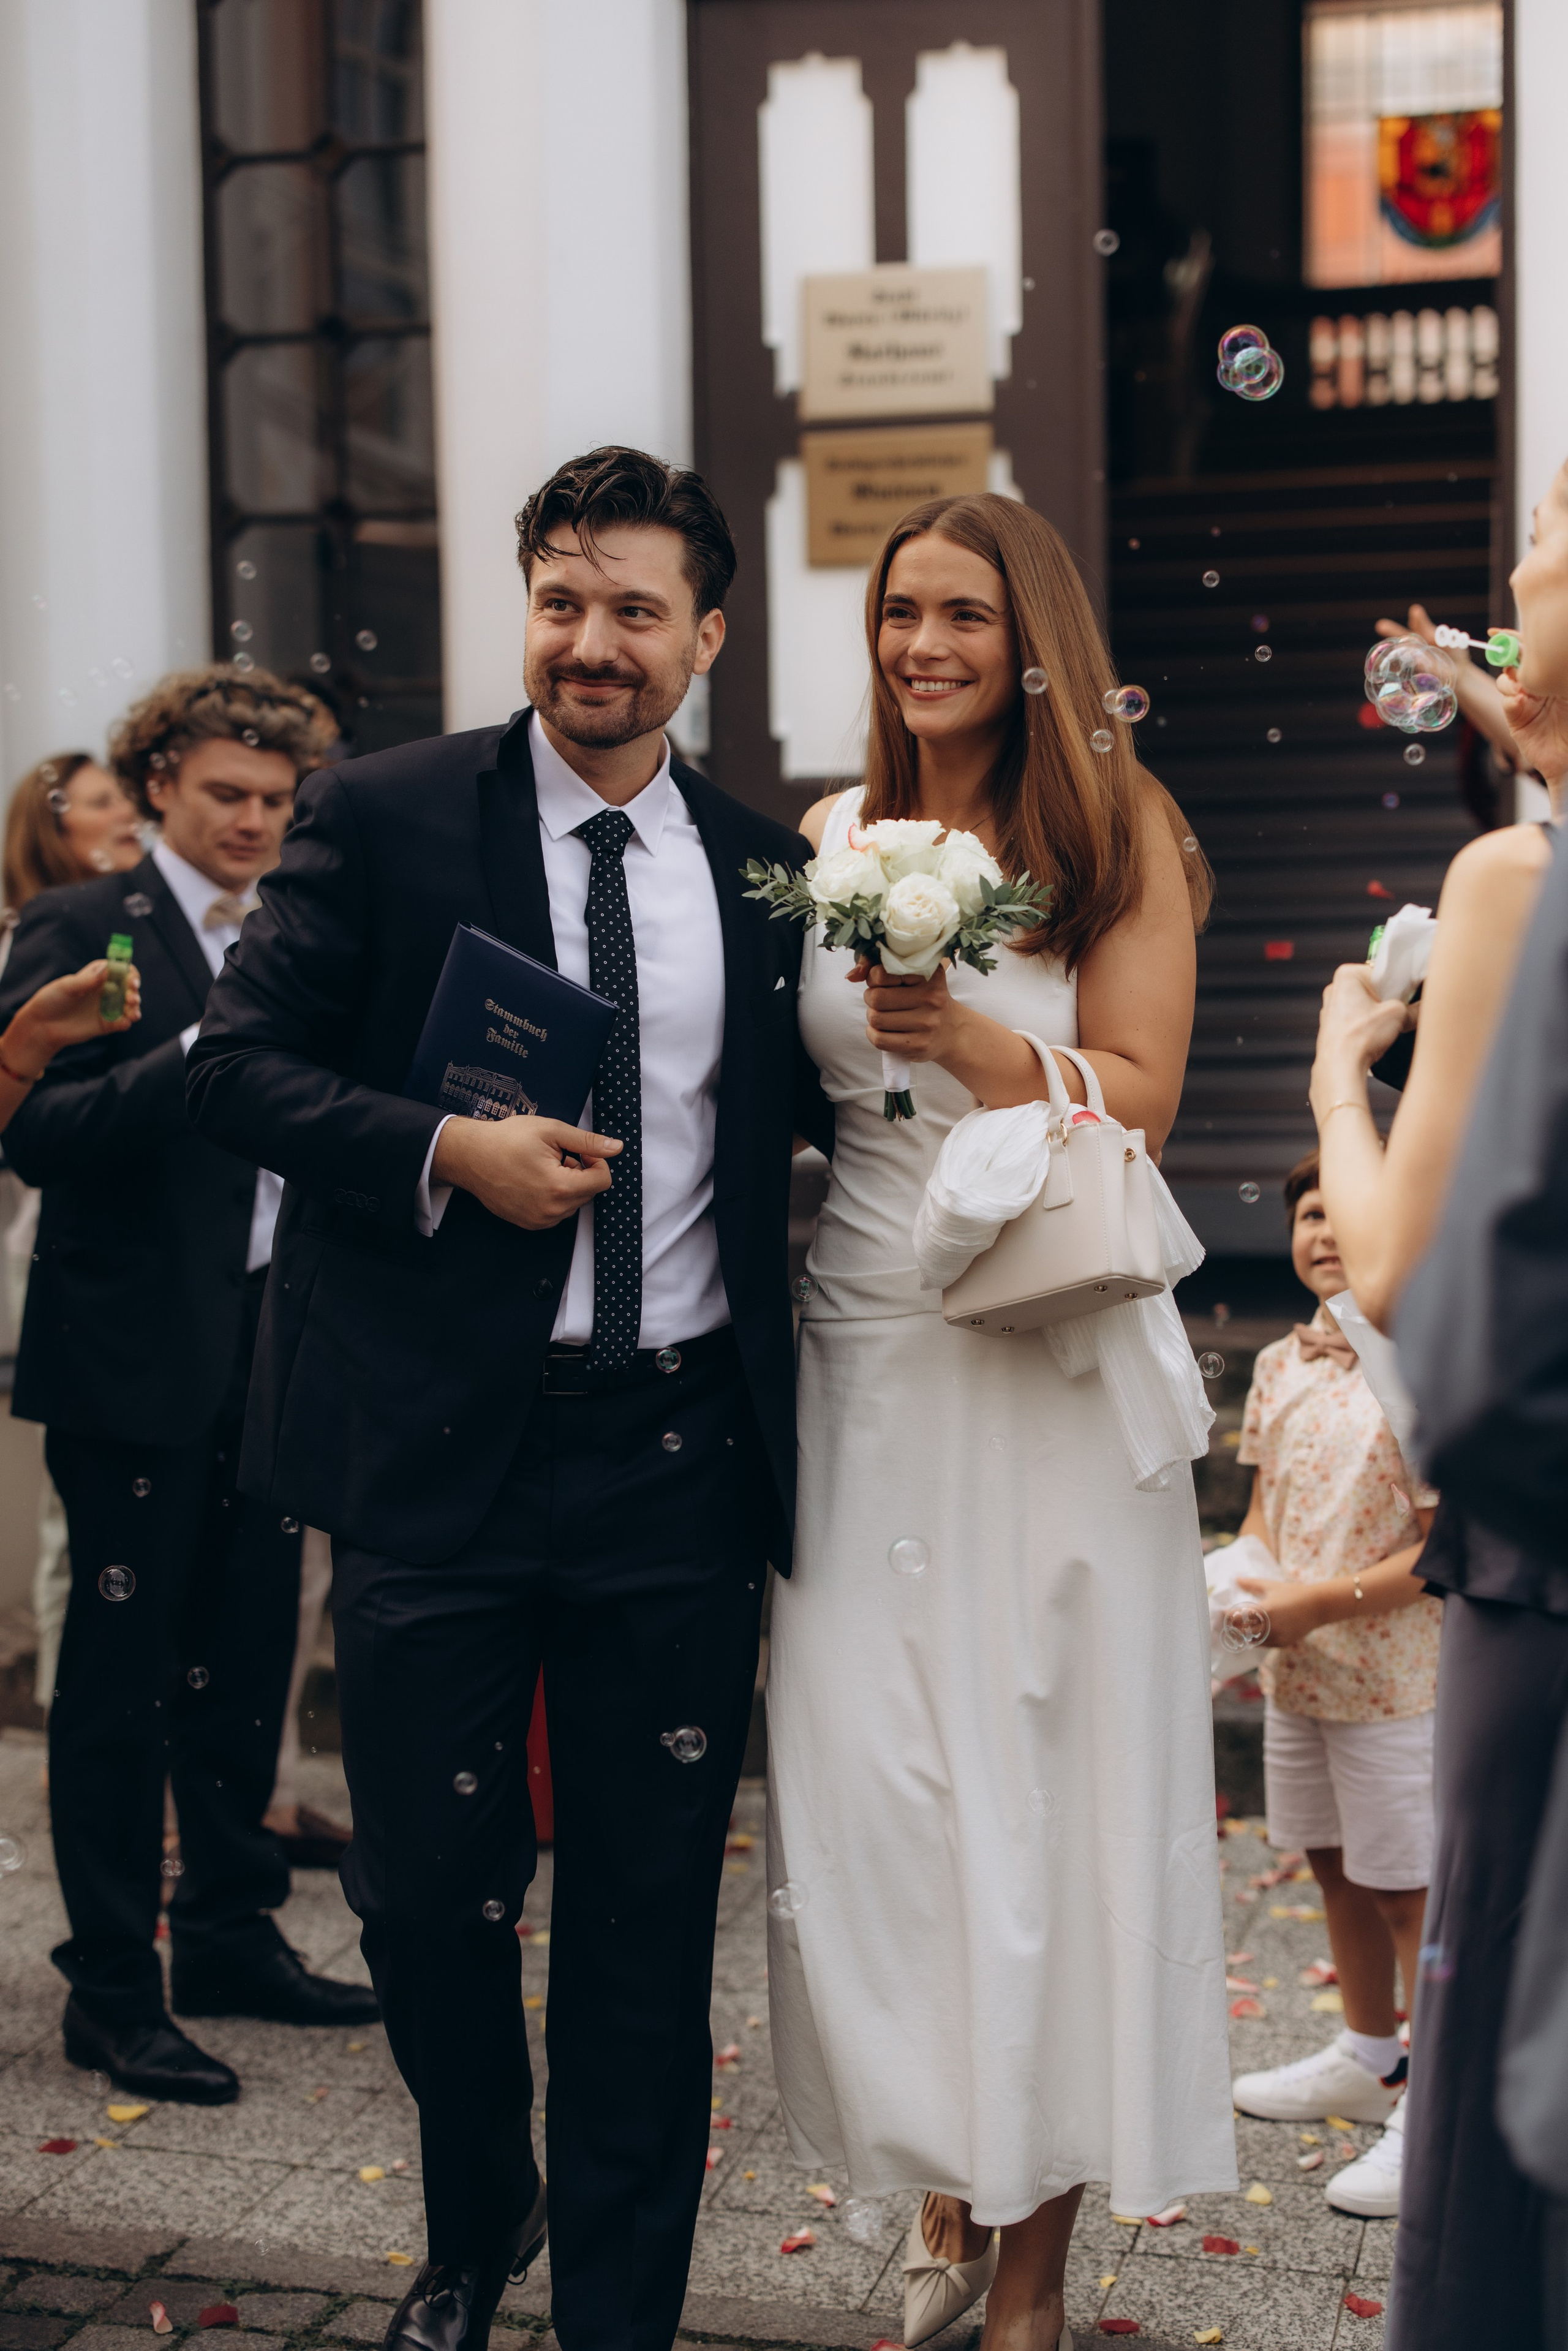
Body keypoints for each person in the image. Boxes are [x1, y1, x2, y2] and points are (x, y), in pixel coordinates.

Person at [186, 447, 832, 2351]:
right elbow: (234, 1069)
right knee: (421, 1899)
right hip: (435, 1455)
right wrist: (440, 1145)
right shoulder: (384, 817)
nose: (592, 641)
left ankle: (618, 2311)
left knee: (643, 1929)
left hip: (676, 1455)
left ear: (706, 635)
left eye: (637, 607)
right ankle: (478, 2217)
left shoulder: (765, 863)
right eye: (562, 598)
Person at [764, 492, 1234, 2351]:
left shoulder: (1119, 835)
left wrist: (966, 1037)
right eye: (898, 614)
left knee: (1034, 1805)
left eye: (960, 612)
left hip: (1033, 1368)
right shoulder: (829, 832)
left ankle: (1024, 2275)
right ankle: (943, 2174)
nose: (922, 645)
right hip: (862, 1362)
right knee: (882, 1799)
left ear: (1032, 636)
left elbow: (1146, 1092)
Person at [0, 662, 377, 2111]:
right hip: (131, 1357)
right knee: (118, 1683)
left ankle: (228, 1935)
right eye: (229, 794)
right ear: (157, 780)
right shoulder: (85, 923)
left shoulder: (299, 928)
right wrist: (192, 1059)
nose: (255, 822)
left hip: (280, 1349)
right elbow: (35, 1133)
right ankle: (110, 1987)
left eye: (279, 801)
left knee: (242, 1665)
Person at [1309, 461, 1568, 2349]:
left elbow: (1412, 1287)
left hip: (1541, 1581)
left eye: (1545, 541)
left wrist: (1341, 1078)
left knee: (1506, 2068)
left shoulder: (1507, 881)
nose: (1509, 581)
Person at [1223, 1151, 1439, 2221]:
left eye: (1344, 1211)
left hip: (1398, 1681)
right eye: (1309, 1212)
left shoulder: (1423, 1367)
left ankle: (1437, 2112)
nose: (1321, 1229)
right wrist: (1240, 1580)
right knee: (1334, 1860)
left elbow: (1452, 1550)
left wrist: (1317, 1601)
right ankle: (1368, 2050)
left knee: (1412, 1888)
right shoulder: (1278, 1362)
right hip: (1301, 1674)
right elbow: (1265, 1514)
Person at [3, 749, 148, 1704]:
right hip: (63, 1251)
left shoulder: (147, 933)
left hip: (144, 1258)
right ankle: (73, 1730)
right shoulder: (42, 935)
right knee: (81, 1531)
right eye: (102, 803)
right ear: (54, 828)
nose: (129, 814)